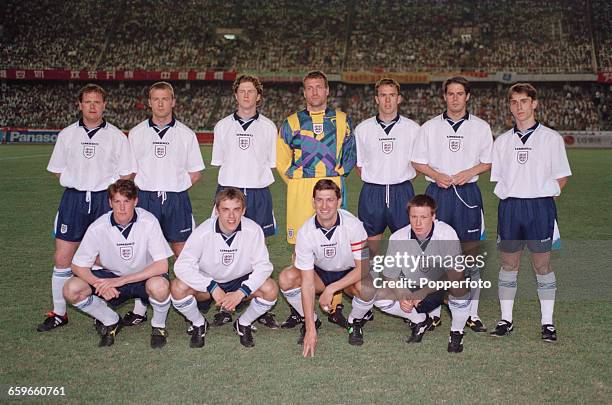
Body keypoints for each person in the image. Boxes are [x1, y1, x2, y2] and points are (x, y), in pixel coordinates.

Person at [38, 84, 135, 332]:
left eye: (97, 102)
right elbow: (57, 169)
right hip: (74, 199)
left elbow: (127, 173)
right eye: (87, 102)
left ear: (104, 105)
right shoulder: (67, 135)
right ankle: (59, 313)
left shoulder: (116, 136)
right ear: (80, 105)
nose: (92, 106)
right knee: (62, 257)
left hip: (104, 200)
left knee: (103, 259)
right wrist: (79, 182)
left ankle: (101, 310)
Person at [490, 83, 571, 342]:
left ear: (534, 103)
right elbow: (500, 179)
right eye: (514, 102)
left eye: (524, 101)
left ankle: (547, 323)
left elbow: (561, 178)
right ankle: (506, 319)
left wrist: (541, 195)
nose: (519, 107)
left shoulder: (551, 138)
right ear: (510, 106)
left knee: (542, 266)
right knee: (508, 265)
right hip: (511, 208)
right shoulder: (502, 141)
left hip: (539, 207)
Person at [412, 76, 493, 332]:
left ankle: (472, 313)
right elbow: (417, 161)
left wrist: (468, 173)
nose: (455, 98)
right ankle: (434, 311)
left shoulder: (481, 127)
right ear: (444, 96)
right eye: (451, 93)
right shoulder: (429, 127)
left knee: (470, 256)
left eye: (460, 93)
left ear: (467, 96)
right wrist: (436, 176)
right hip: (438, 193)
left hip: (467, 194)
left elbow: (488, 161)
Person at [277, 70, 356, 328]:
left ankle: (333, 305)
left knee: (336, 246)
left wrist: (334, 178)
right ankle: (302, 310)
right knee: (300, 248)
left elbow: (350, 156)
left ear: (327, 90)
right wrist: (300, 182)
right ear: (304, 92)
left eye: (319, 87)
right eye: (309, 87)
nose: (314, 92)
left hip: (330, 191)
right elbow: (281, 162)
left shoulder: (343, 120)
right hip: (301, 193)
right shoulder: (290, 122)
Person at [127, 81, 205, 325]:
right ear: (149, 103)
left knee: (183, 252)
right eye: (155, 99)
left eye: (165, 99)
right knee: (145, 254)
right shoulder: (137, 133)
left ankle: (187, 302)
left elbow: (195, 172)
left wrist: (174, 187)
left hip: (176, 198)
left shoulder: (185, 134)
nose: (160, 103)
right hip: (146, 198)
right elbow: (129, 171)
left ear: (173, 102)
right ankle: (141, 306)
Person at [62, 180, 173, 348]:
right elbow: (78, 266)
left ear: (135, 201)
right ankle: (111, 320)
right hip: (110, 276)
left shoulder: (149, 222)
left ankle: (158, 326)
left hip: (142, 276)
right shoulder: (98, 227)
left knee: (160, 287)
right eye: (117, 202)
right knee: (71, 289)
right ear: (110, 202)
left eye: (127, 201)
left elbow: (162, 266)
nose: (122, 208)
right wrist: (100, 284)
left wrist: (122, 281)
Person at [211, 75, 280, 329]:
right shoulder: (222, 126)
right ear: (236, 95)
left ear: (258, 96)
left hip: (259, 191)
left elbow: (271, 163)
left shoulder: (269, 127)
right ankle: (224, 305)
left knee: (258, 248)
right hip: (229, 191)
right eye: (242, 91)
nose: (247, 95)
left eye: (251, 91)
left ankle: (259, 308)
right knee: (223, 247)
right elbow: (219, 161)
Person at [170, 188, 278, 348]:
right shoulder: (203, 232)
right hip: (209, 284)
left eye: (236, 209)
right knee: (178, 287)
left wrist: (242, 292)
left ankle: (243, 323)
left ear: (244, 210)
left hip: (240, 282)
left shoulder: (253, 230)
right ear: (217, 210)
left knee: (270, 288)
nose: (231, 216)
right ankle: (199, 323)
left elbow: (264, 266)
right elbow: (181, 266)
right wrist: (211, 286)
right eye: (225, 210)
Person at [278, 180, 372, 357]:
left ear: (339, 200)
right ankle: (311, 320)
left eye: (330, 199)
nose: (324, 205)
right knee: (287, 278)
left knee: (368, 287)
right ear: (313, 202)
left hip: (349, 273)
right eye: (319, 200)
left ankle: (355, 321)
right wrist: (310, 329)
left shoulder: (353, 225)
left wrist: (332, 289)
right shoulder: (305, 232)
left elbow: (363, 268)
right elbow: (307, 282)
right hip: (320, 274)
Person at [373, 194, 472, 353]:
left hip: (440, 286)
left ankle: (456, 332)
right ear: (409, 216)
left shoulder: (447, 233)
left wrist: (424, 291)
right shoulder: (398, 237)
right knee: (377, 294)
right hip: (412, 286)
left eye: (424, 217)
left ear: (433, 216)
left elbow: (456, 272)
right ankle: (419, 320)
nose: (418, 223)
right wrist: (401, 293)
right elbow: (389, 275)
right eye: (414, 217)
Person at [355, 78, 420, 256]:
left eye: (392, 95)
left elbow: (419, 163)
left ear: (399, 98)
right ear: (376, 99)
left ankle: (404, 281)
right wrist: (378, 178)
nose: (388, 100)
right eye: (383, 95)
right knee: (370, 244)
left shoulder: (413, 129)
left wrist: (399, 178)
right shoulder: (362, 129)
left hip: (402, 191)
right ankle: (371, 279)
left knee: (406, 244)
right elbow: (358, 164)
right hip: (372, 192)